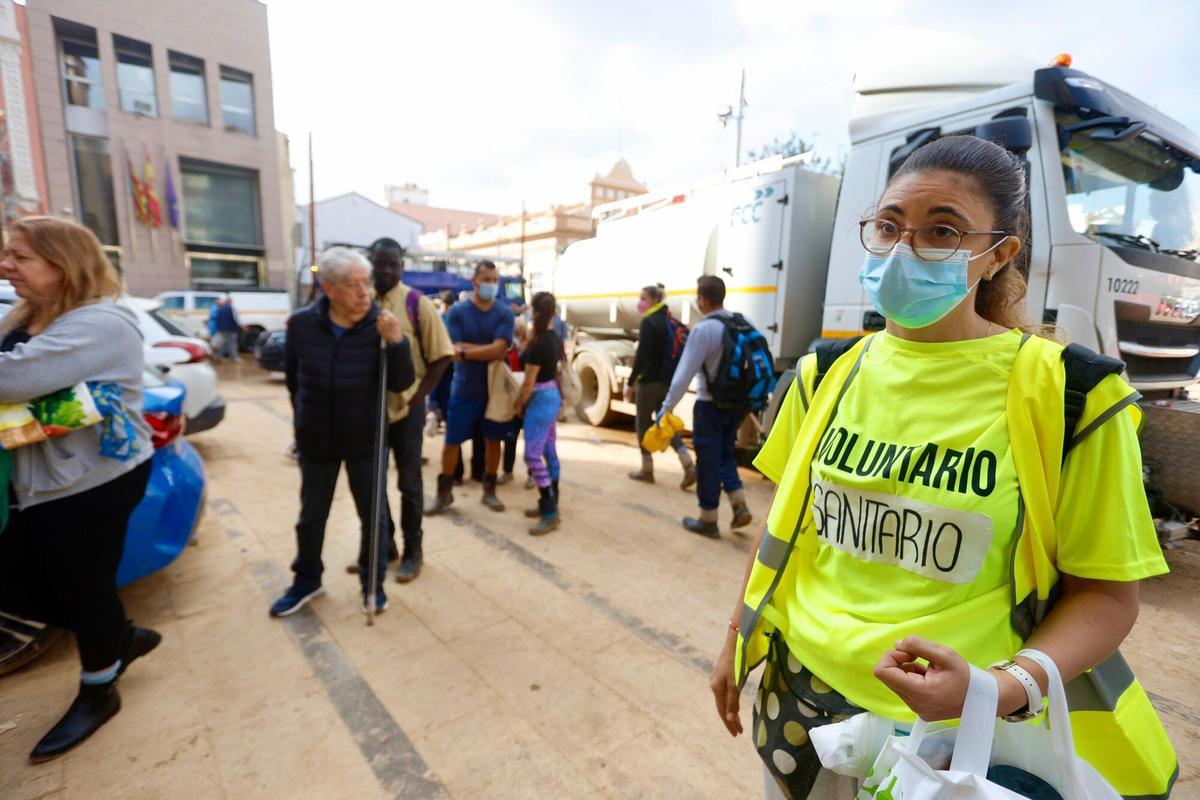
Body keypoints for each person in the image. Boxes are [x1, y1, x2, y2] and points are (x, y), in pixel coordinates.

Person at [709, 136, 1176, 799]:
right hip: (799, 704)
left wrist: (1000, 689)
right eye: (891, 226)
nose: (906, 250)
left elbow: (1105, 595)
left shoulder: (1069, 395)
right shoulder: (824, 374)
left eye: (942, 232)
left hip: (955, 740)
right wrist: (736, 638)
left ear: (998, 256)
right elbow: (784, 535)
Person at [0, 216, 158, 762]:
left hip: (92, 479)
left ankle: (99, 689)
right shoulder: (33, 314)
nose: (6, 265)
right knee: (23, 583)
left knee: (83, 587)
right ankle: (119, 638)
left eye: (20, 257)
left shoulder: (101, 323)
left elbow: (10, 379)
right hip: (43, 478)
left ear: (63, 265)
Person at [270, 247, 414, 617]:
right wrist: (302, 420)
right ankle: (307, 580)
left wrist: (397, 341)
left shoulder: (380, 325)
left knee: (374, 516)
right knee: (311, 516)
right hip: (317, 438)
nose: (364, 293)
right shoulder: (302, 325)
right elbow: (293, 380)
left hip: (366, 438)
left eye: (366, 284)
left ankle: (373, 584)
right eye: (353, 285)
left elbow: (401, 382)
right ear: (329, 288)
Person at [355, 237, 454, 583]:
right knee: (372, 484)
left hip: (406, 411)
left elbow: (443, 356)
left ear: (401, 266)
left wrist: (419, 396)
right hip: (370, 413)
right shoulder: (359, 301)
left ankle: (414, 551)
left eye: (392, 264)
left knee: (409, 484)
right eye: (380, 263)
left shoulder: (417, 304)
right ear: (369, 263)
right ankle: (384, 546)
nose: (386, 270)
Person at [656, 276, 752, 538]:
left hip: (710, 406)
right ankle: (738, 503)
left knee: (708, 461)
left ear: (703, 299)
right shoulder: (742, 323)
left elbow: (683, 375)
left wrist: (667, 407)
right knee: (725, 455)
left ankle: (708, 519)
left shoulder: (704, 329)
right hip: (737, 405)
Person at [426, 261, 515, 514]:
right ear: (474, 282)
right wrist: (480, 351)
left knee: (493, 441)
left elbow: (501, 348)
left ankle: (489, 491)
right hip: (463, 390)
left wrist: (465, 351)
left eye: (494, 279)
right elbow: (450, 351)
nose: (491, 284)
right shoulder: (457, 312)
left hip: (494, 391)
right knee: (452, 441)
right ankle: (444, 493)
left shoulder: (504, 313)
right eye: (486, 279)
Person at [625, 283, 696, 488]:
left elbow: (642, 357)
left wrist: (630, 383)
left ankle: (647, 469)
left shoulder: (649, 322)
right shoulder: (668, 319)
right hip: (667, 382)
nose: (640, 303)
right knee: (664, 424)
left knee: (642, 423)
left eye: (643, 298)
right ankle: (687, 463)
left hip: (648, 383)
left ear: (655, 300)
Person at [515, 291, 564, 535]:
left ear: (534, 311)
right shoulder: (554, 337)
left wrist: (519, 403)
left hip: (539, 400)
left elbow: (528, 382)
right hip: (552, 397)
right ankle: (552, 502)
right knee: (548, 451)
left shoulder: (538, 342)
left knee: (532, 456)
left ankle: (549, 510)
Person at [498, 315, 529, 485]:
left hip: (526, 402)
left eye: (517, 334)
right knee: (510, 438)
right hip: (511, 403)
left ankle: (532, 473)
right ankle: (507, 471)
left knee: (530, 440)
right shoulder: (505, 354)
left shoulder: (526, 353)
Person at [213, 295, 242, 361]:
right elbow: (235, 319)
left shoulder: (221, 308)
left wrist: (219, 327)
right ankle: (233, 357)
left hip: (222, 329)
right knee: (232, 343)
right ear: (230, 301)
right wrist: (240, 326)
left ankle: (218, 356)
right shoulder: (231, 308)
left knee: (222, 343)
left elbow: (217, 318)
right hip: (231, 329)